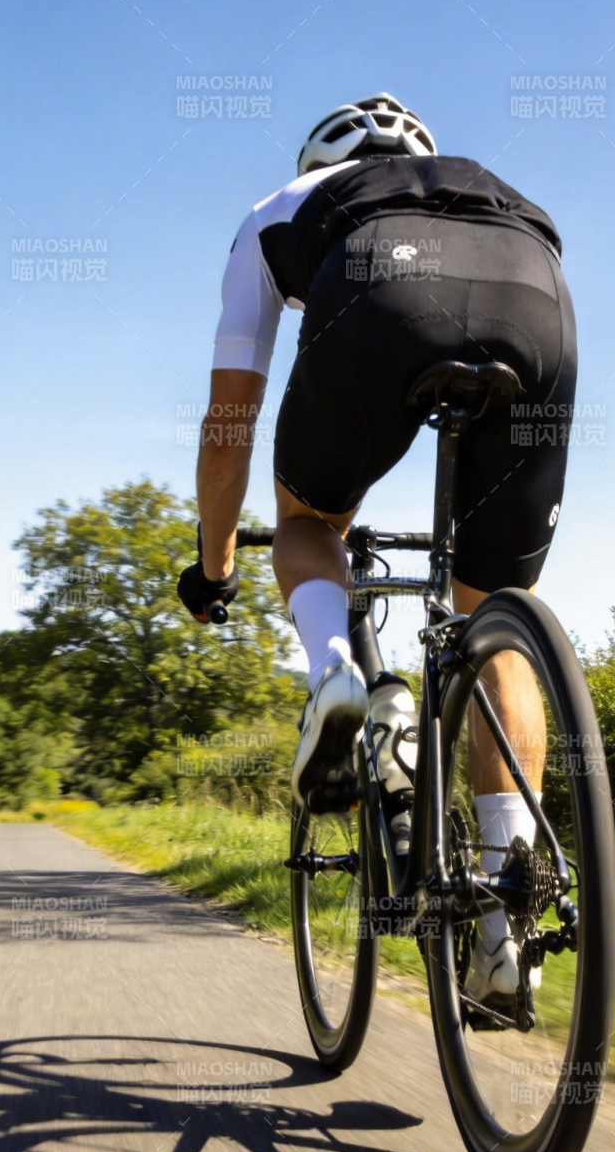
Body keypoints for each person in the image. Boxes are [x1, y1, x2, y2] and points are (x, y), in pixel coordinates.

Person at [176, 94, 577, 1008]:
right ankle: (506, 931)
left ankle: (338, 679)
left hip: (381, 286)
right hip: (538, 285)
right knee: (492, 619)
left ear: (322, 156)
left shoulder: (281, 207)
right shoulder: (479, 185)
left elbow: (229, 421)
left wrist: (215, 566)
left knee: (310, 522)